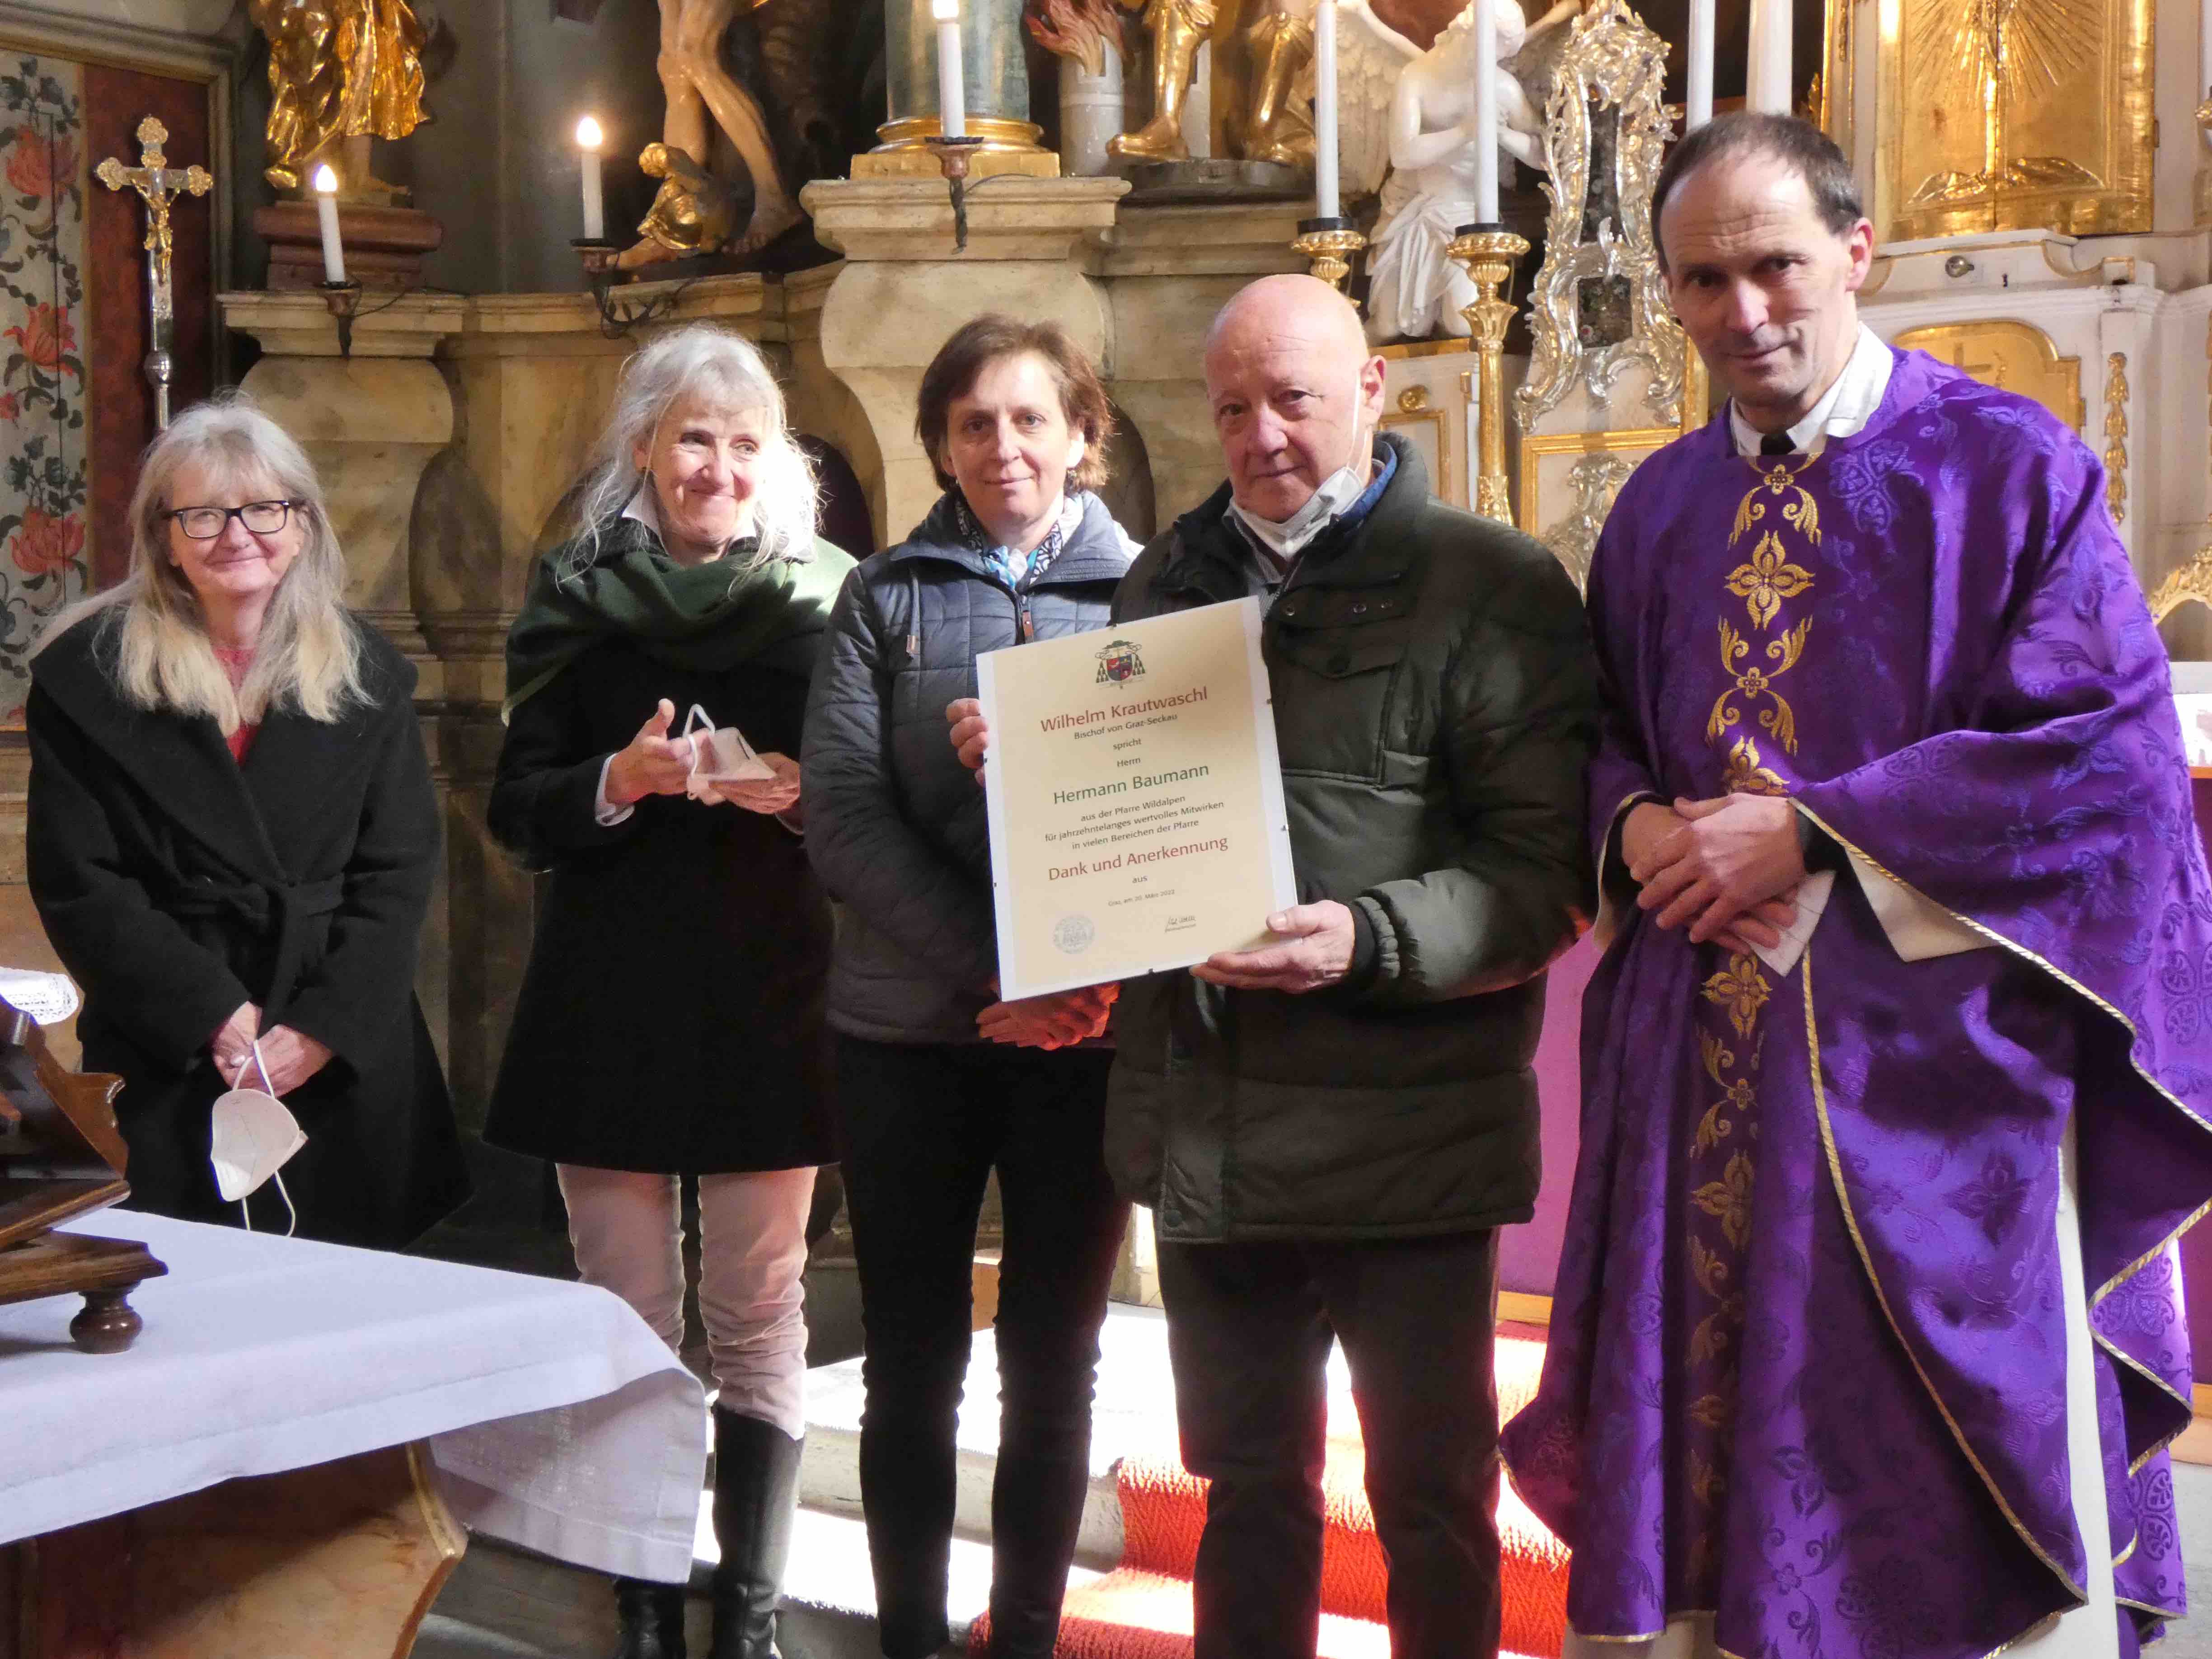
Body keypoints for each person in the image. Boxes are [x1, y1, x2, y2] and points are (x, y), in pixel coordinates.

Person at [1499, 112, 2212, 1659]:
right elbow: (1600, 726)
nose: (1742, 312)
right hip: (1695, 1059)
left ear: (1856, 253)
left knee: (1911, 1487)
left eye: (1774, 266)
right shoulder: (1660, 506)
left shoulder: (2008, 467)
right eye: (1702, 281)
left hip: (1931, 1085)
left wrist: (1816, 833)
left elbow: (2109, 758)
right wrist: (1633, 824)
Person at [949, 273, 1599, 1659]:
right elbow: (1142, 842)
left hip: (1408, 1144)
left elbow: (1544, 877)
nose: (1261, 437)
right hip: (1213, 1129)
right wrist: (1057, 841)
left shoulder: (1492, 587)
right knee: (1246, 1498)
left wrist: (1367, 936)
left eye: (1293, 400)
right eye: (1232, 407)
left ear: (1370, 392)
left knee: (1432, 1503)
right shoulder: (1166, 580)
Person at [483, 325, 853, 1659]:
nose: (718, 466)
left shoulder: (826, 600)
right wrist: (614, 782)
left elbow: (870, 806)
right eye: (694, 437)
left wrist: (804, 798)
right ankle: (642, 1608)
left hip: (769, 989)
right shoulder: (575, 595)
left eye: (746, 443)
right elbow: (515, 808)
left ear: (775, 460)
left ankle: (745, 1618)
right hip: (610, 997)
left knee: (758, 1319)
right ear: (644, 446)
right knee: (625, 1320)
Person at [801, 315, 1135, 1659]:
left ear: (1082, 435)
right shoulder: (883, 597)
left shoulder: (1153, 595)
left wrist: (1081, 981)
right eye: (974, 423)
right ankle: (911, 1644)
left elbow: (1186, 810)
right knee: (912, 1363)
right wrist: (1004, 968)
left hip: (1086, 1040)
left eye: (1031, 418)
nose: (1005, 446)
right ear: (941, 446)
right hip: (905, 1034)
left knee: (1054, 1364)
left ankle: (1029, 1641)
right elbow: (843, 819)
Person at [23, 394, 467, 1247]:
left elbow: (398, 876)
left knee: (354, 1296)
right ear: (163, 538)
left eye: (264, 509)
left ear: (302, 527)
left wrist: (319, 1032)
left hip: (334, 1037)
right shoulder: (87, 678)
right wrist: (212, 1016)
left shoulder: (369, 674)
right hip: (170, 1042)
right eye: (203, 515)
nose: (238, 535)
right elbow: (82, 883)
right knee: (175, 1288)